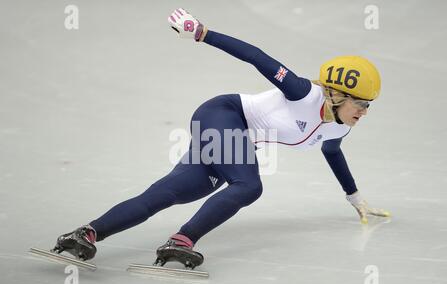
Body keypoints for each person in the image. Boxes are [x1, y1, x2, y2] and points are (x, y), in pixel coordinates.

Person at [52, 8, 390, 269]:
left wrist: (355, 197)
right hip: (223, 114)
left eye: (368, 106)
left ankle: (86, 233)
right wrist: (202, 33)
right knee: (248, 185)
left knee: (172, 192)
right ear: (334, 94)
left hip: (234, 138)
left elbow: (332, 152)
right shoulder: (302, 93)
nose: (363, 113)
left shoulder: (339, 126)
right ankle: (183, 241)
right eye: (359, 104)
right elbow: (257, 56)